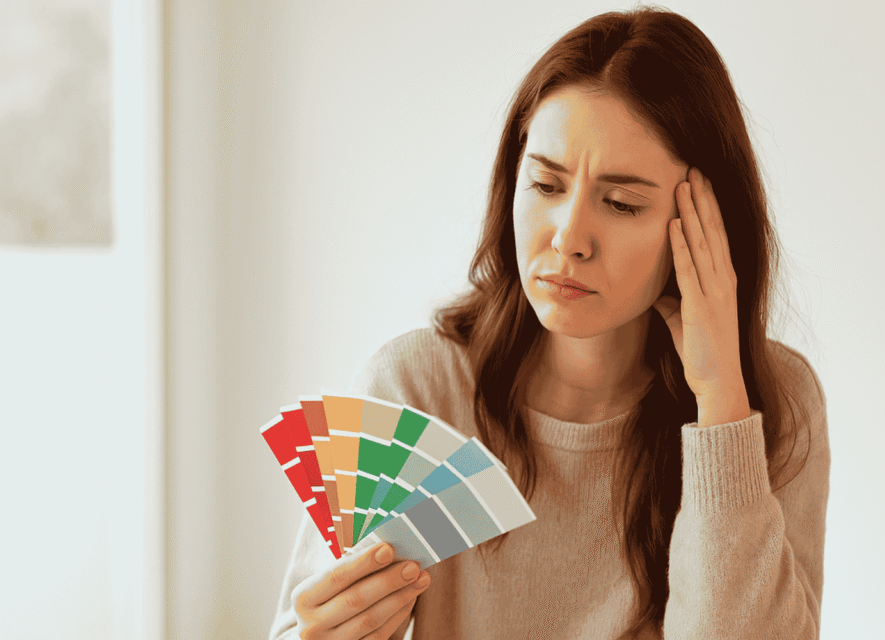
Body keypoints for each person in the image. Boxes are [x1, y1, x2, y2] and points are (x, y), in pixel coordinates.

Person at [269, 5, 829, 639]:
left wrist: (721, 402)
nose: (568, 239)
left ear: (706, 223)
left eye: (622, 203)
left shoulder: (774, 403)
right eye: (545, 184)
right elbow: (301, 625)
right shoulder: (415, 389)